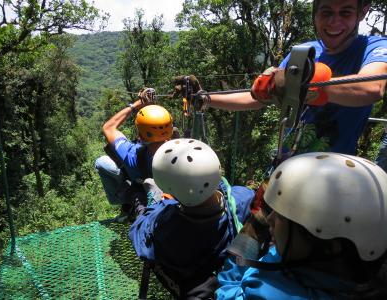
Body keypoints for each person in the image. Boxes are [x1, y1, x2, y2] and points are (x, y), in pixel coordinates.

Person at [174, 0, 387, 157]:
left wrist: (301, 83)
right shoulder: (305, 52)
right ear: (315, 14)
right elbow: (256, 97)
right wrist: (204, 97)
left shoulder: (374, 47)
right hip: (287, 164)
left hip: (334, 172)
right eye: (326, 12)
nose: (334, 21)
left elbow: (371, 88)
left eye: (346, 12)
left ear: (362, 12)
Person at [216, 152, 387, 299]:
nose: (270, 219)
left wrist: (249, 237)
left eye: (284, 217)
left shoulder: (267, 294)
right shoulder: (315, 260)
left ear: (330, 245)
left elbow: (226, 291)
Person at [129, 138, 254, 299]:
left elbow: (138, 233)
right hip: (221, 267)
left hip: (188, 274)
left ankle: (155, 197)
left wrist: (160, 205)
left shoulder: (165, 229)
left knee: (147, 209)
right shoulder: (243, 198)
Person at [95, 89, 174, 217]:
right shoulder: (180, 150)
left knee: (101, 162)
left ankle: (125, 201)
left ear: (140, 135)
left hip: (139, 181)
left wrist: (137, 104)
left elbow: (108, 127)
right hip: (172, 190)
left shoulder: (131, 154)